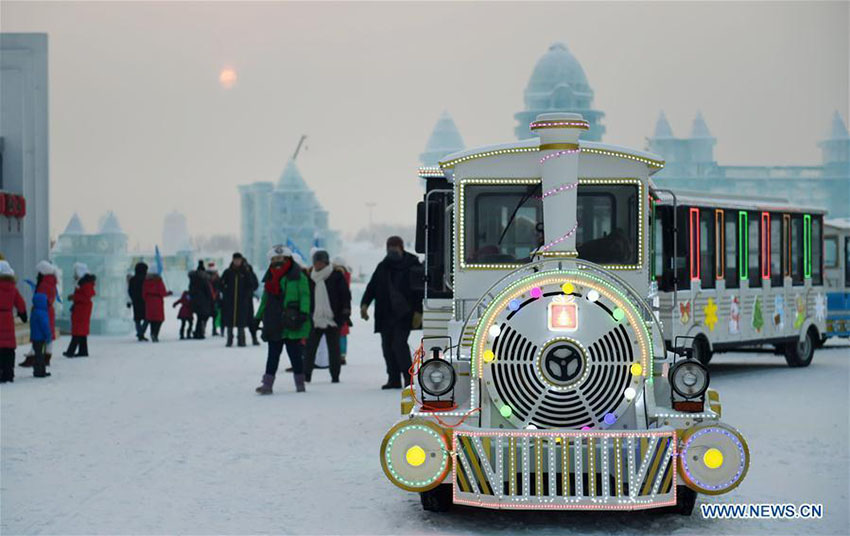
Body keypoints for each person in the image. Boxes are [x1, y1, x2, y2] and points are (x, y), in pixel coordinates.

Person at [361, 236, 423, 389]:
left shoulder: (412, 265)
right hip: (385, 314)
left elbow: (419, 292)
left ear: (401, 248)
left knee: (399, 345)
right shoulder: (383, 266)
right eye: (390, 248)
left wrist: (418, 312)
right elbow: (372, 287)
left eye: (395, 247)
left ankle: (408, 378)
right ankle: (393, 379)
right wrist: (364, 305)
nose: (392, 251)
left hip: (404, 315)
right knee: (387, 347)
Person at [254, 245, 311, 395]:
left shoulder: (298, 275)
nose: (277, 261)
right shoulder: (270, 276)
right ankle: (267, 385)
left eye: (280, 258)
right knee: (272, 355)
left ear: (287, 258)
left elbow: (305, 295)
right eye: (274, 259)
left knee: (295, 355)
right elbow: (265, 299)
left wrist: (304, 312)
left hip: (292, 321)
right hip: (274, 321)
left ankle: (300, 384)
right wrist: (257, 317)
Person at [303, 250, 351, 383]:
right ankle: (307, 375)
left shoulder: (336, 276)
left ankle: (335, 376)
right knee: (310, 348)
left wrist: (345, 313)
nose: (318, 265)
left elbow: (345, 295)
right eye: (316, 262)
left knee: (334, 349)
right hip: (315, 319)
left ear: (326, 263)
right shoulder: (310, 277)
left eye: (321, 262)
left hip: (333, 319)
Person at [19, 260, 59, 367]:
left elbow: (40, 299)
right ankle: (45, 356)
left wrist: (35, 307)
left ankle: (34, 357)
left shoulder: (44, 284)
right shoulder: (51, 282)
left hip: (42, 311)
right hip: (47, 311)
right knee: (47, 335)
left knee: (39, 335)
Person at [220, 253, 259, 347]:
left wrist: (247, 294)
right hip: (230, 302)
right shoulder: (228, 272)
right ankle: (229, 339)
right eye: (235, 260)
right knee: (230, 320)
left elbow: (253, 284)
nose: (237, 262)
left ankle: (241, 339)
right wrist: (226, 292)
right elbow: (220, 284)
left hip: (243, 302)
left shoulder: (246, 272)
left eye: (238, 260)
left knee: (242, 320)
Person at [0, 261, 27, 383]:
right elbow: (20, 303)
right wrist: (23, 314)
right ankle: (9, 372)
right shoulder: (12, 288)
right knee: (9, 347)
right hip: (8, 318)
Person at [64, 263, 96, 358]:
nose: (74, 275)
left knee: (78, 330)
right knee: (81, 331)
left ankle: (71, 351)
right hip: (81, 309)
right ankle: (83, 351)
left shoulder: (85, 283)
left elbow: (85, 297)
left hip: (82, 310)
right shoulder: (84, 282)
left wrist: (74, 297)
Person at [332, 256, 353, 365]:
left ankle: (337, 355)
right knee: (343, 333)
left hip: (336, 307)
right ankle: (342, 355)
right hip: (345, 308)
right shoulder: (347, 275)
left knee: (336, 333)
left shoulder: (335, 276)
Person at [143, 272, 171, 342]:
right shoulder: (158, 281)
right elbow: (162, 292)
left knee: (152, 319)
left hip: (149, 301)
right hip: (158, 301)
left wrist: (147, 299)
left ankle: (152, 333)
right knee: (159, 319)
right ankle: (155, 334)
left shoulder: (146, 282)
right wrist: (169, 293)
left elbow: (143, 293)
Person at [30, 293, 52, 378]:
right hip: (41, 338)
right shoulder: (42, 313)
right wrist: (48, 335)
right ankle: (40, 371)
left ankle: (38, 370)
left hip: (35, 338)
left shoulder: (34, 312)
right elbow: (45, 326)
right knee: (40, 355)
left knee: (38, 354)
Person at [188, 263, 213, 339]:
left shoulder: (193, 279)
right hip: (203, 301)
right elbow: (208, 291)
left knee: (199, 317)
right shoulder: (204, 279)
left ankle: (197, 332)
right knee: (202, 317)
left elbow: (190, 290)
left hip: (195, 301)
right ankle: (200, 332)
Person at [127, 262, 149, 341]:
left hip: (136, 301)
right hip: (145, 301)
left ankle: (140, 333)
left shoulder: (133, 279)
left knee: (137, 319)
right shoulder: (146, 279)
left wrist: (133, 298)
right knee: (147, 318)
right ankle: (141, 333)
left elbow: (130, 290)